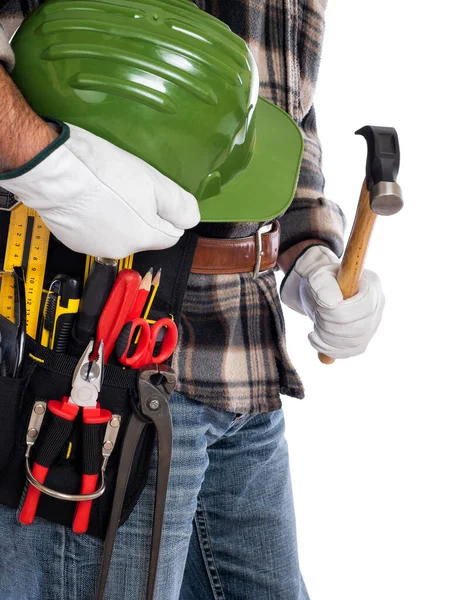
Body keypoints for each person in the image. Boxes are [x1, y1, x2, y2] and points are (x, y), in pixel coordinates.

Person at [0, 1, 385, 599]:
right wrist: (41, 165)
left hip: (244, 364)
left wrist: (309, 250)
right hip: (86, 354)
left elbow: (283, 110)